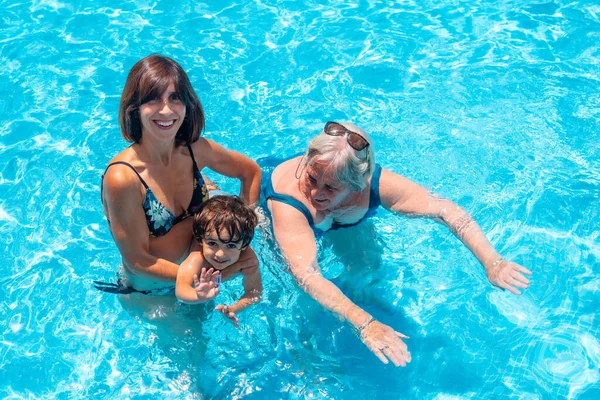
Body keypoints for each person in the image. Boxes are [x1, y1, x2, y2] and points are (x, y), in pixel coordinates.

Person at [263, 121, 533, 367]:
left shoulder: (374, 184)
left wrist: (492, 262)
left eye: (331, 188)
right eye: (312, 178)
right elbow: (306, 274)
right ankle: (305, 358)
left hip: (346, 221)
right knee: (298, 301)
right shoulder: (291, 201)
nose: (315, 192)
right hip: (273, 221)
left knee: (368, 271)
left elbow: (445, 211)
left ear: (358, 184)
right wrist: (364, 324)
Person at [96, 55, 261, 296]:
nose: (166, 110)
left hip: (202, 276)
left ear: (187, 104)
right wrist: (218, 274)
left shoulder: (196, 150)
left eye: (175, 98)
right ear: (135, 108)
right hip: (152, 294)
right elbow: (138, 262)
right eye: (153, 99)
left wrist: (243, 230)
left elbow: (250, 172)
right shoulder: (124, 177)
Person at [176, 195, 261, 327]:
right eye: (212, 243)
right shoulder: (198, 257)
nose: (220, 254)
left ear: (243, 245)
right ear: (200, 240)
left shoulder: (248, 261)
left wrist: (233, 309)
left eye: (231, 246)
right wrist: (198, 296)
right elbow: (181, 287)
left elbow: (255, 292)